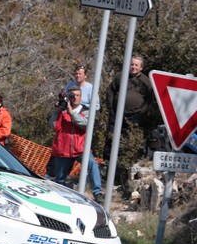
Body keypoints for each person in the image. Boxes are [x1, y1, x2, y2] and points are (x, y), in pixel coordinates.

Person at [103, 54, 154, 184]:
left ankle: (123, 174)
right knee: (111, 139)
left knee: (127, 143)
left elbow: (149, 100)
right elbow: (110, 92)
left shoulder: (146, 81)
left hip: (134, 117)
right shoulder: (120, 76)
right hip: (116, 114)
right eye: (132, 64)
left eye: (136, 65)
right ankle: (106, 169)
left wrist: (141, 113)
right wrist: (111, 108)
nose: (133, 67)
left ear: (141, 67)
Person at [49, 85, 104, 203]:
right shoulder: (62, 110)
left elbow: (86, 125)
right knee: (60, 180)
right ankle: (60, 201)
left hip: (80, 149)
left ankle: (97, 192)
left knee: (93, 164)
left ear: (81, 97)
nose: (75, 98)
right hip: (63, 150)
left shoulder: (86, 111)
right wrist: (57, 111)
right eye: (72, 95)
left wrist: (72, 113)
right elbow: (54, 127)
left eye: (77, 95)